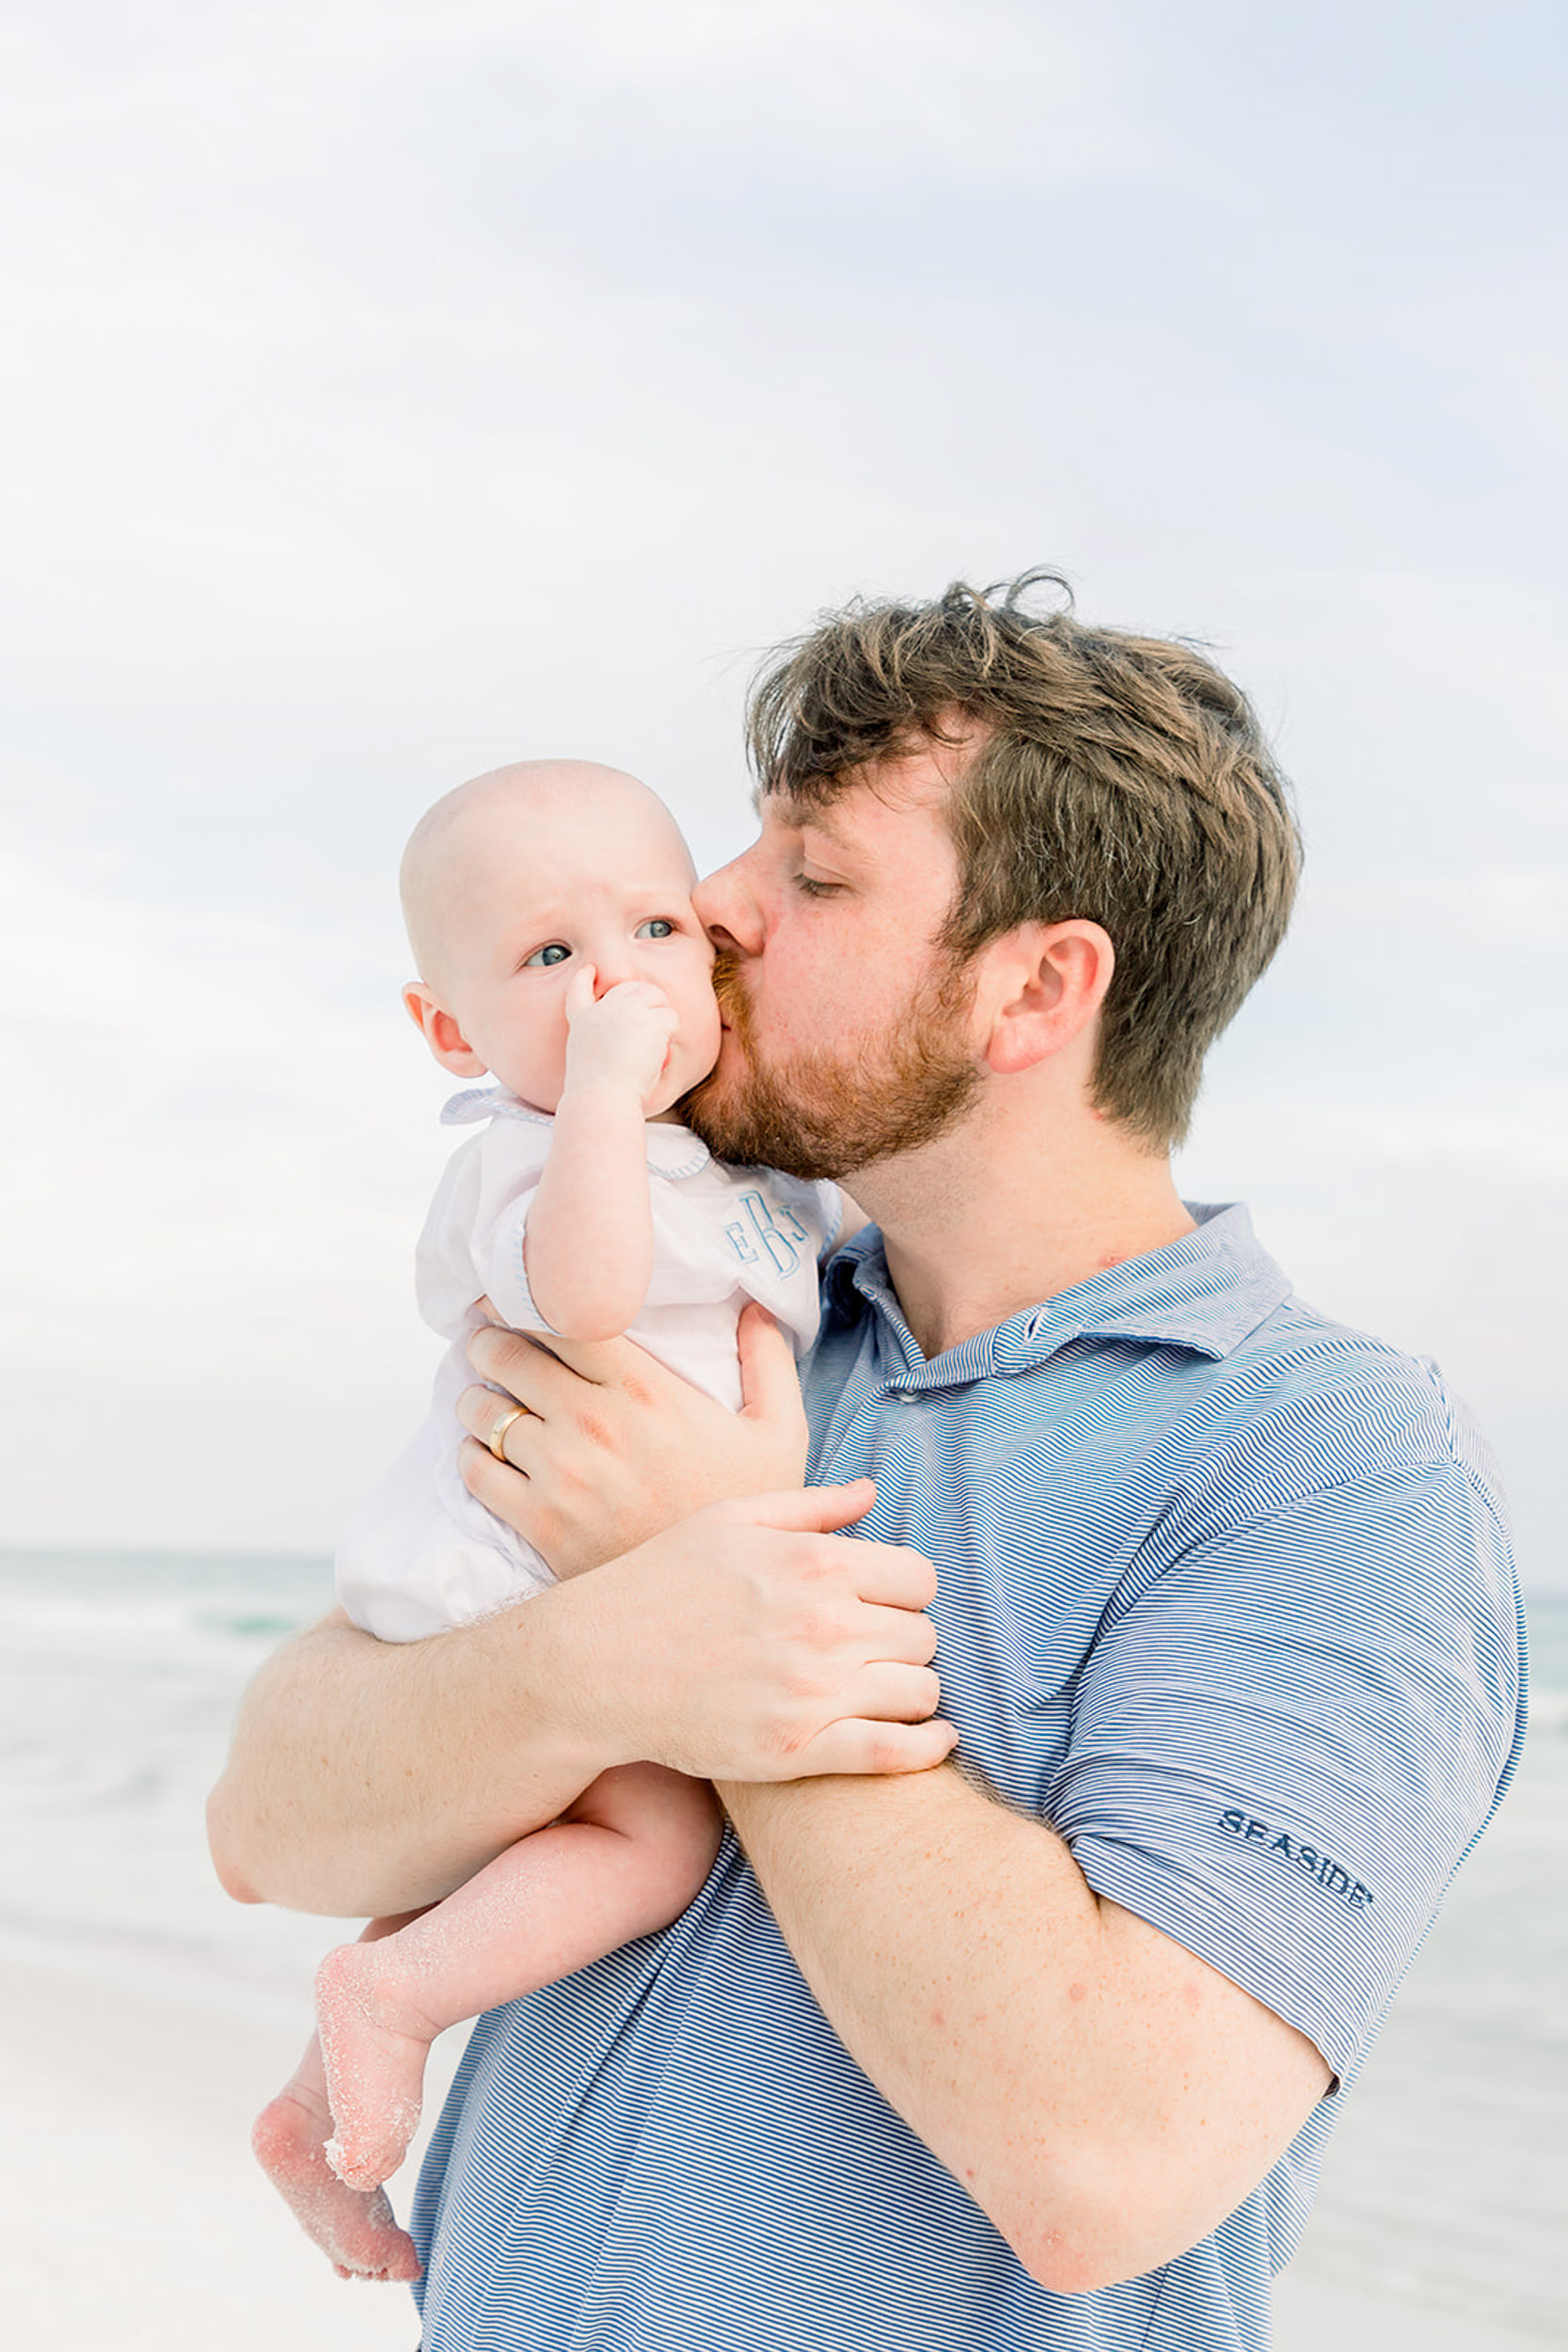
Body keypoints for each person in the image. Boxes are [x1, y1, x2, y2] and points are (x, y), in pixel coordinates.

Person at [211, 573, 1525, 2352]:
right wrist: (618, 1642)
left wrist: (731, 1590)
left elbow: (1105, 2158)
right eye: (749, 848)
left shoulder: (1328, 1467)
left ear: (1037, 988)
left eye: (815, 876)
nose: (719, 910)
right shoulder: (706, 1319)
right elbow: (271, 1812)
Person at [252, 759, 846, 2281]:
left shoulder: (728, 1164)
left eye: (654, 927)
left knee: (483, 1863)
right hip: (501, 1574)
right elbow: (587, 1297)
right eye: (548, 957)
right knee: (653, 1836)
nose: (615, 984)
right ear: (450, 1029)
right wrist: (595, 1092)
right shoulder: (517, 1157)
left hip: (574, 1572)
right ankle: (391, 2004)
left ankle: (317, 2113)